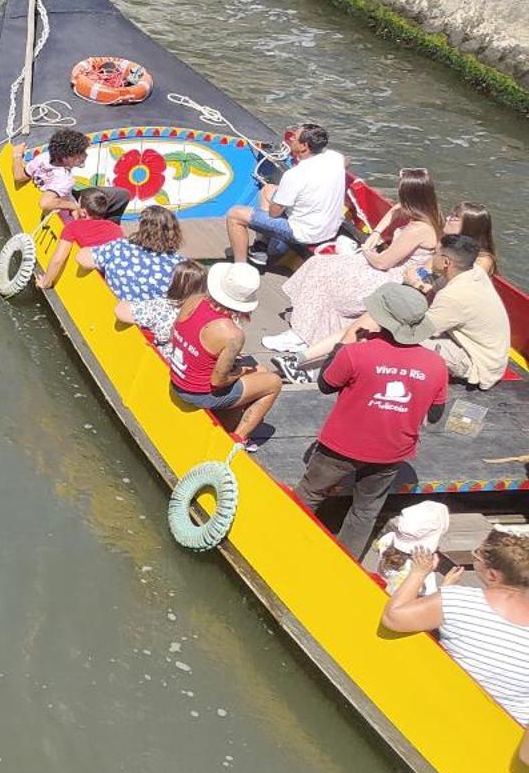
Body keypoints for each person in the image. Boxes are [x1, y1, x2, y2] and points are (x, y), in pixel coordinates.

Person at [296, 283, 450, 556]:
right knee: (365, 510)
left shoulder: (356, 353)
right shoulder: (435, 364)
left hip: (340, 446)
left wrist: (343, 343)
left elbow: (326, 384)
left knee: (310, 493)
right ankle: (345, 562)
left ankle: (287, 538)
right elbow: (435, 415)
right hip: (391, 452)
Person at [267, 165, 441, 355]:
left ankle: (301, 336)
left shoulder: (417, 229)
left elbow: (383, 263)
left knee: (324, 277)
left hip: (390, 276)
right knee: (319, 264)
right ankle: (306, 325)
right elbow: (395, 210)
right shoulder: (431, 214)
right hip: (388, 267)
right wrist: (376, 232)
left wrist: (367, 250)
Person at [381, 527, 529, 739]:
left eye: (476, 554)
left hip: (451, 719)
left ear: (492, 575)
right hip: (511, 732)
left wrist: (418, 572)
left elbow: (393, 618)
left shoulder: (459, 601)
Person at [165, 262, 283, 444]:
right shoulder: (232, 334)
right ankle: (238, 439)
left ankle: (229, 421)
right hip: (198, 393)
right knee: (273, 382)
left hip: (177, 377)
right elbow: (217, 381)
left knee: (259, 370)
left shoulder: (194, 300)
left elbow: (176, 333)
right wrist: (240, 372)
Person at [226, 121, 345, 265]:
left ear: (304, 147)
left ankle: (240, 267)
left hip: (304, 233)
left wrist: (279, 200)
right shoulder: (336, 158)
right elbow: (346, 161)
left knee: (235, 215)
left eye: (295, 137)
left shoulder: (295, 175)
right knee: (268, 190)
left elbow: (274, 213)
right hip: (329, 229)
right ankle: (260, 248)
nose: (291, 138)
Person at [414, 234, 511, 389]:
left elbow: (417, 331)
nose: (432, 256)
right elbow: (434, 290)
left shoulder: (454, 295)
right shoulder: (472, 271)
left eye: (435, 253)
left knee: (403, 343)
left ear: (446, 262)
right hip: (487, 352)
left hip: (478, 364)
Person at [37, 186, 125, 290]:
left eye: (77, 203)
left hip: (90, 280)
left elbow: (59, 259)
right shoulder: (116, 229)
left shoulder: (73, 227)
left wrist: (46, 282)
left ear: (83, 212)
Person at [11, 127, 90, 217]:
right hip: (60, 208)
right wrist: (74, 206)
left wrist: (17, 155)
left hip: (45, 191)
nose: (86, 155)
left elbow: (19, 176)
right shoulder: (66, 179)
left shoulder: (44, 157)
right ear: (65, 159)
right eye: (81, 154)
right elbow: (45, 203)